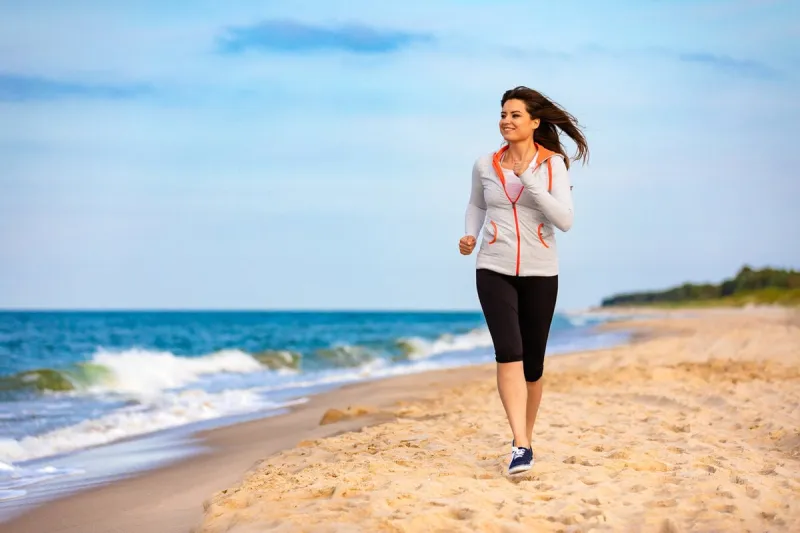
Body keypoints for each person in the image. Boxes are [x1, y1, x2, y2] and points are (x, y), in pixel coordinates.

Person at [459, 86, 589, 475]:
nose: (506, 120)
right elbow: (476, 204)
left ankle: (526, 439)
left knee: (532, 366)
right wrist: (470, 235)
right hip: (493, 266)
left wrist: (529, 179)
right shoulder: (485, 164)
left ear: (534, 122)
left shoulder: (552, 165)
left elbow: (565, 220)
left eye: (515, 114)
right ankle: (520, 443)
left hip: (541, 272)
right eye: (503, 113)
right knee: (508, 351)